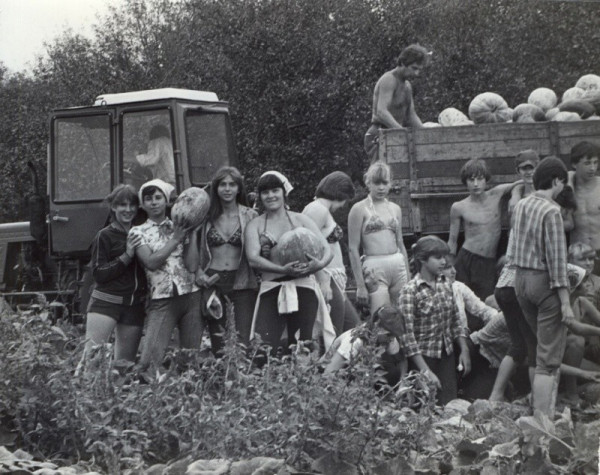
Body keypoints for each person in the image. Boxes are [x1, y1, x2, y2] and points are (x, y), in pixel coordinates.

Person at [508, 156, 573, 417]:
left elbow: (513, 245)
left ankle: (543, 410)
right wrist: (565, 301)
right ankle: (542, 420)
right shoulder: (551, 210)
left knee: (541, 348)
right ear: (556, 181)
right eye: (562, 183)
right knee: (548, 360)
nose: (562, 189)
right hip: (543, 283)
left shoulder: (522, 204)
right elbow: (557, 259)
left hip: (520, 280)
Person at [245, 171, 335, 354]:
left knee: (304, 346)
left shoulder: (300, 219)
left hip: (303, 287)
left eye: (275, 191)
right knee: (263, 348)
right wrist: (282, 269)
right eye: (265, 192)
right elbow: (253, 259)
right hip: (271, 288)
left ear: (283, 192)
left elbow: (327, 250)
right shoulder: (255, 225)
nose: (270, 196)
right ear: (260, 197)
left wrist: (318, 265)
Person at [185, 167, 258, 353]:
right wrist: (198, 272)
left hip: (242, 281)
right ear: (215, 188)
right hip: (212, 281)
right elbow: (192, 259)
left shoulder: (250, 215)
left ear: (239, 188)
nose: (227, 189)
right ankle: (221, 373)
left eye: (232, 184)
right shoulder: (205, 216)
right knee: (219, 341)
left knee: (243, 341)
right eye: (222, 184)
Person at [130, 179, 201, 369]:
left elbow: (192, 266)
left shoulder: (181, 225)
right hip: (162, 300)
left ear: (166, 201)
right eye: (148, 199)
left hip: (191, 296)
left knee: (190, 360)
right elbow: (151, 262)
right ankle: (150, 387)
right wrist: (176, 239)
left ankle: (186, 387)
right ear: (142, 204)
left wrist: (193, 235)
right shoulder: (138, 232)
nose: (154, 202)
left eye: (158, 197)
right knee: (148, 361)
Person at [399, 235, 471, 405]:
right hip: (423, 359)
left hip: (446, 356)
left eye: (444, 257)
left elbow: (455, 320)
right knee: (426, 407)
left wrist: (464, 349)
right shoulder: (410, 291)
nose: (444, 262)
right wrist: (426, 371)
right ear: (423, 260)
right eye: (438, 258)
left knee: (450, 405)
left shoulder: (446, 284)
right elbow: (407, 337)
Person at [82, 184, 146, 363]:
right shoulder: (104, 236)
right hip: (106, 303)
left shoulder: (142, 233)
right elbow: (99, 274)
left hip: (133, 306)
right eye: (122, 205)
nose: (128, 209)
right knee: (92, 361)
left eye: (132, 205)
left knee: (124, 365)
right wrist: (127, 256)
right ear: (113, 207)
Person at [447, 158, 521, 300]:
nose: (476, 184)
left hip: (488, 261)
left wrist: (515, 195)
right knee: (462, 300)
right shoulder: (458, 207)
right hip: (466, 259)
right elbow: (452, 241)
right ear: (465, 182)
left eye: (480, 179)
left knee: (487, 301)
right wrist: (448, 267)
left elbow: (521, 183)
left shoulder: (496, 194)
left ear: (486, 179)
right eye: (471, 180)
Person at [323, 305, 441, 391]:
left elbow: (402, 361)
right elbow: (328, 374)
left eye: (394, 336)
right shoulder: (354, 340)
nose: (391, 339)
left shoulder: (389, 337)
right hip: (331, 379)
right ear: (376, 325)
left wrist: (402, 382)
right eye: (389, 335)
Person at [348, 161, 410, 315]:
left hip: (397, 264)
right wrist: (360, 285)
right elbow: (353, 248)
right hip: (374, 266)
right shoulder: (359, 209)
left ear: (390, 183)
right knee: (380, 316)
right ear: (368, 182)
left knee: (403, 314)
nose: (381, 188)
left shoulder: (395, 209)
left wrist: (408, 274)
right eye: (377, 183)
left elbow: (400, 243)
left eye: (385, 183)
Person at [302, 171, 360, 335]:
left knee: (352, 328)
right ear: (340, 194)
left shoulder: (321, 209)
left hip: (333, 278)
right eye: (345, 200)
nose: (343, 206)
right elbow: (306, 246)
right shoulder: (317, 210)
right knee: (335, 333)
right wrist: (323, 280)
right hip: (326, 277)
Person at [364, 44, 430, 162]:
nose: (416, 73)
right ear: (403, 63)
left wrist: (426, 135)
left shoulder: (407, 86)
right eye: (414, 68)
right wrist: (402, 132)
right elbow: (381, 112)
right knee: (381, 172)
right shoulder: (389, 79)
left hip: (394, 135)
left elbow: (411, 115)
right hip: (379, 134)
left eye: (419, 70)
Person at [568, 141, 600, 275]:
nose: (593, 168)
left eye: (595, 162)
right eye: (587, 163)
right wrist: (516, 191)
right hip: (578, 257)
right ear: (574, 164)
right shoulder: (566, 188)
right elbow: (534, 181)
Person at [508, 149, 540, 213]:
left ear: (538, 168)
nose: (529, 172)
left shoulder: (548, 191)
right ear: (518, 171)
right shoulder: (514, 199)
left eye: (532, 168)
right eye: (524, 168)